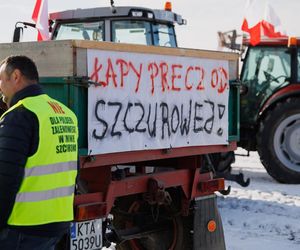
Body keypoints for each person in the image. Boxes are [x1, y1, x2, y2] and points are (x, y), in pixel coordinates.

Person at [0, 55, 78, 250]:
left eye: (1, 79)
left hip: (22, 228)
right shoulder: (66, 114)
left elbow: (5, 180)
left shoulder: (19, 115)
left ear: (16, 76)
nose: (0, 87)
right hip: (56, 224)